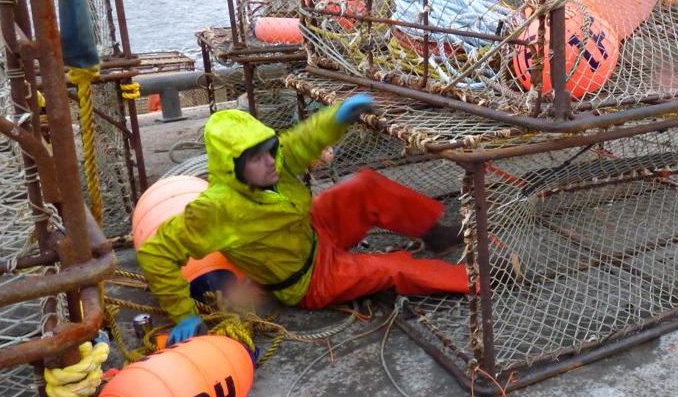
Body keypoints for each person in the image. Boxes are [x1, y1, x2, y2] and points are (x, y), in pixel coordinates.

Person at [138, 94, 469, 343]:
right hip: (308, 279)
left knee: (365, 186)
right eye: (256, 158)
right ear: (233, 167)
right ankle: (476, 278)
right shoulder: (216, 210)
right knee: (392, 266)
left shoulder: (271, 163)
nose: (270, 162)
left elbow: (298, 143)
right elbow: (157, 253)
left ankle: (435, 232)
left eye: (269, 150)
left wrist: (336, 118)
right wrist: (182, 315)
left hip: (311, 231)